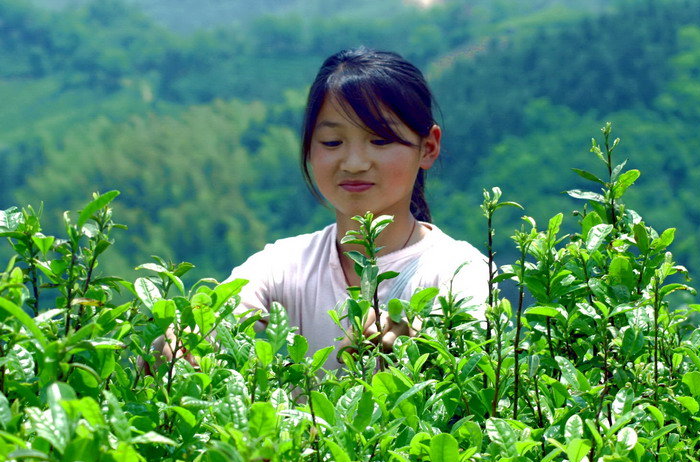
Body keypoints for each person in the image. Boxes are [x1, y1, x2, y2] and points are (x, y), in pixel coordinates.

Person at [153, 47, 489, 372]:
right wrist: (180, 342)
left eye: (380, 140)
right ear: (309, 148)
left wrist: (427, 352)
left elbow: (481, 383)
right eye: (332, 142)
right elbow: (212, 319)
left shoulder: (459, 272)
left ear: (428, 147)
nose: (354, 163)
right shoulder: (283, 265)